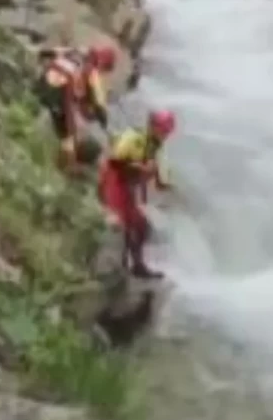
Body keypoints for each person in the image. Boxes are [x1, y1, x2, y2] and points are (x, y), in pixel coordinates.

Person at [98, 109, 177, 278]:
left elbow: (156, 173)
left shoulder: (154, 146)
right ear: (154, 127)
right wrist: (140, 168)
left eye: (167, 132)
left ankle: (136, 264)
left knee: (141, 226)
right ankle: (122, 265)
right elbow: (115, 160)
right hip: (115, 182)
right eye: (163, 131)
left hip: (128, 187)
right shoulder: (133, 138)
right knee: (123, 225)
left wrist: (166, 185)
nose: (165, 136)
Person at [35, 42, 118, 172]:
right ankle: (62, 168)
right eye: (105, 70)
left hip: (42, 84)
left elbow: (45, 52)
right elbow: (99, 105)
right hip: (59, 94)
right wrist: (103, 120)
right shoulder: (93, 72)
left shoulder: (75, 50)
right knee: (70, 135)